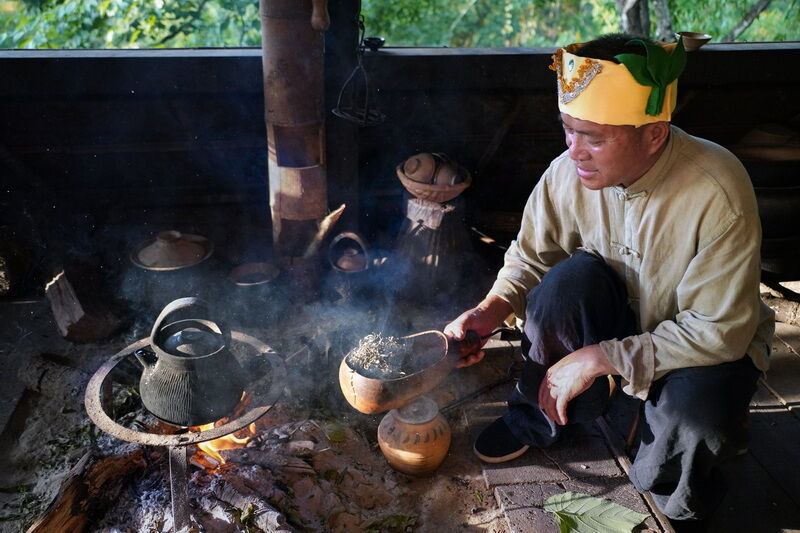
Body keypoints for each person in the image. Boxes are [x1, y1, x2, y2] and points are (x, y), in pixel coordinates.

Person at [444, 33, 774, 529]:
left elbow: (719, 331)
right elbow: (532, 256)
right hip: (620, 318)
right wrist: (493, 306)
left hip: (700, 346)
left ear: (654, 135)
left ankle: (681, 481)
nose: (576, 152)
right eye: (568, 131)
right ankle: (538, 416)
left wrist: (603, 357)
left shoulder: (716, 189)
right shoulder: (566, 173)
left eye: (594, 137)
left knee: (690, 426)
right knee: (564, 284)